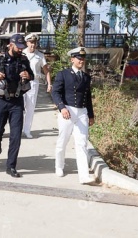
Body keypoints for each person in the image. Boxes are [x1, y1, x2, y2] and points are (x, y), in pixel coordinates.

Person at [0, 34, 34, 177]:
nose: (21, 50)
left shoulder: (23, 60)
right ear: (11, 45)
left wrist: (28, 75)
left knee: (16, 135)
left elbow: (32, 75)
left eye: (22, 47)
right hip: (0, 101)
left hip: (16, 102)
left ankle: (11, 166)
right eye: (19, 47)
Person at [51, 47, 95, 184]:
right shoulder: (63, 74)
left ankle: (84, 176)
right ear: (72, 59)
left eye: (83, 58)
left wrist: (91, 115)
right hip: (67, 110)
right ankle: (59, 166)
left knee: (82, 143)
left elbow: (87, 97)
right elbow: (55, 92)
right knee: (62, 141)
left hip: (82, 112)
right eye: (78, 58)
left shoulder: (86, 77)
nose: (81, 61)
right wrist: (61, 107)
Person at [22, 33, 52, 139]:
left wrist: (49, 84)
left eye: (34, 43)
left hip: (33, 83)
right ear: (27, 43)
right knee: (19, 107)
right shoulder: (22, 53)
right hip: (21, 82)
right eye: (31, 42)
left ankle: (27, 130)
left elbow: (46, 71)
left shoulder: (40, 55)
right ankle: (18, 129)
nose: (33, 45)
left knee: (30, 107)